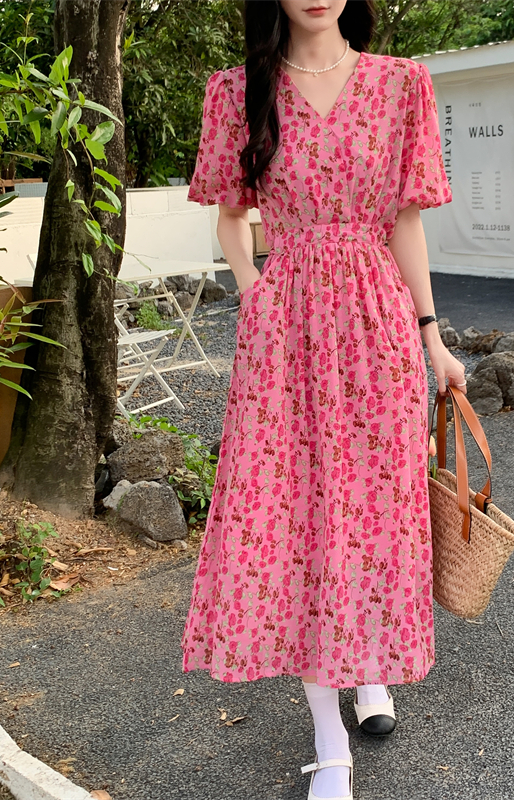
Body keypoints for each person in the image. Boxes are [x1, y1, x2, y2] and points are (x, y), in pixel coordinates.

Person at [182, 2, 467, 798]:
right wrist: (254, 292)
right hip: (288, 332)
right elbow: (232, 217)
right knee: (297, 516)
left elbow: (406, 219)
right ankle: (327, 735)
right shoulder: (239, 91)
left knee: (377, 508)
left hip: (376, 319)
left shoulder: (401, 83)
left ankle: (366, 668)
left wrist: (432, 337)